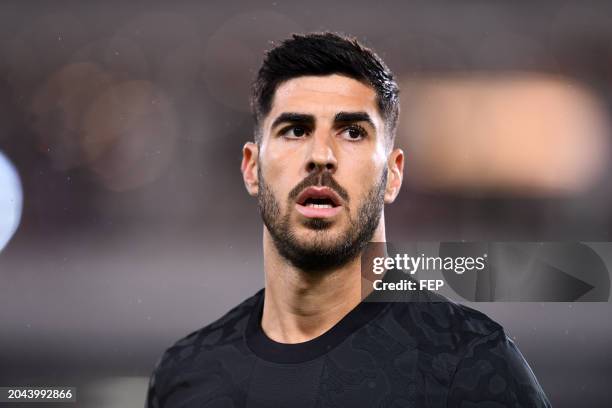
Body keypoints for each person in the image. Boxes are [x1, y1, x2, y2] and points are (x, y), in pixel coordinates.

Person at [145, 31, 551, 407]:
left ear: (393, 175)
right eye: (295, 130)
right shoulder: (186, 374)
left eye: (353, 132)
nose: (321, 155)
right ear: (252, 168)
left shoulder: (472, 364)